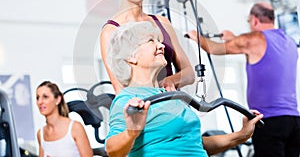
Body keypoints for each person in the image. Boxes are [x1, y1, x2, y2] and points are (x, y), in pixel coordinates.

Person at [104, 21, 263, 157]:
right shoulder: (128, 99)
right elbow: (112, 151)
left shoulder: (168, 94)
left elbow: (194, 143)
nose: (161, 46)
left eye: (159, 41)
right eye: (151, 41)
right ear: (131, 57)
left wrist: (240, 136)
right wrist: (131, 132)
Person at [186, 2, 300, 157]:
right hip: (294, 121)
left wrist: (195, 36)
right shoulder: (289, 42)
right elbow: (259, 50)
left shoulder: (253, 40)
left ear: (254, 20)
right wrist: (234, 38)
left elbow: (213, 48)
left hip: (268, 121)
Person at [100, 0, 195, 94]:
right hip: (143, 108)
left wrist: (170, 81)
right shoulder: (111, 31)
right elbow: (120, 89)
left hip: (173, 104)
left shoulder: (162, 23)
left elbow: (189, 74)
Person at [36, 81, 93, 157]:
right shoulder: (41, 134)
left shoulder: (75, 128)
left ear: (58, 99)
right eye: (37, 98)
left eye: (45, 97)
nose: (40, 102)